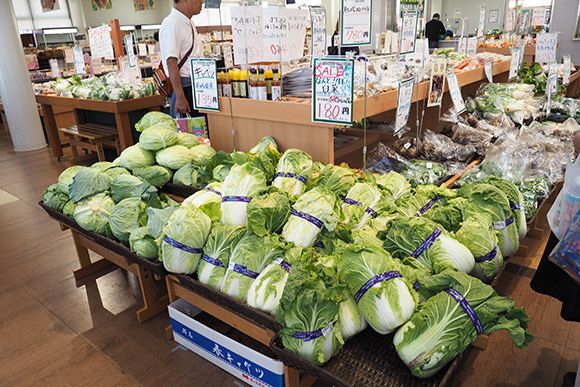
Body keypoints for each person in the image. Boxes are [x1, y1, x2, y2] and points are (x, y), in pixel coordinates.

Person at [159, 0, 204, 117]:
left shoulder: (188, 23)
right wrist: (180, 97)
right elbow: (171, 62)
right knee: (187, 132)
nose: (202, 1)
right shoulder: (172, 23)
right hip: (184, 88)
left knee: (200, 131)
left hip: (196, 86)